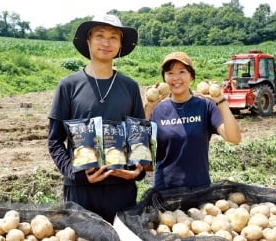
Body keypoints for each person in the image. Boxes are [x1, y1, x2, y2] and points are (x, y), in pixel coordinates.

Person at [48, 14, 145, 223]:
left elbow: (139, 137)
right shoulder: (68, 85)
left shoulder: (130, 86)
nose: (106, 42)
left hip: (121, 189)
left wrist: (137, 172)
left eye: (113, 37)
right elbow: (55, 141)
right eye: (100, 35)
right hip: (81, 189)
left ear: (120, 45)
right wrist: (76, 174)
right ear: (88, 41)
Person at [144, 51, 241, 190]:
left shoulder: (205, 106)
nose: (176, 78)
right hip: (164, 190)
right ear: (164, 78)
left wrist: (222, 102)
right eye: (170, 73)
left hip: (199, 189)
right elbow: (145, 157)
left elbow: (234, 138)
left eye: (182, 72)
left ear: (191, 76)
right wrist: (147, 110)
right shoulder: (157, 110)